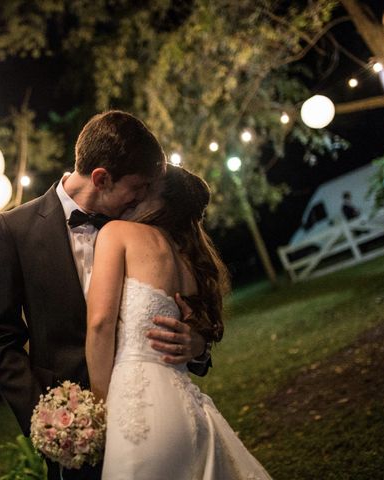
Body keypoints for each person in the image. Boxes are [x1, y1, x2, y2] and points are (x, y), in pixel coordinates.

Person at [0, 111, 211, 480]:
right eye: (137, 188)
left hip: (146, 418)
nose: (142, 198)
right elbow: (1, 339)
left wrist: (197, 345)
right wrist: (43, 417)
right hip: (71, 429)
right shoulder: (16, 229)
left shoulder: (140, 227)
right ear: (102, 178)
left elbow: (189, 305)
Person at [86, 165, 271, 479]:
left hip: (138, 407)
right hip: (186, 408)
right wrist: (199, 342)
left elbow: (101, 323)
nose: (135, 197)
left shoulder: (118, 233)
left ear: (160, 200)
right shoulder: (188, 262)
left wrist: (98, 408)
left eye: (144, 189)